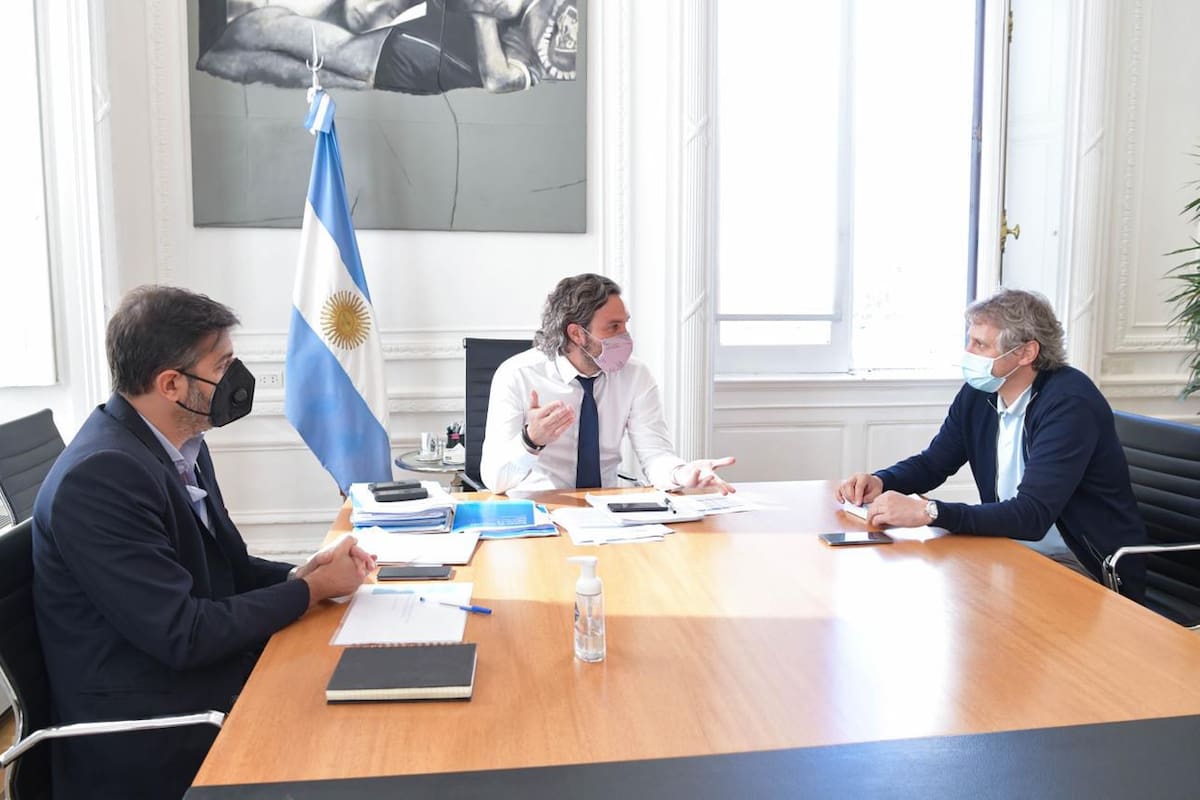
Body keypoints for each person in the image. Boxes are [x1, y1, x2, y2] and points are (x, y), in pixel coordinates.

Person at [32, 286, 377, 800]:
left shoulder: (178, 444)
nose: (236, 380)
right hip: (152, 725)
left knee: (360, 675)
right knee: (358, 733)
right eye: (223, 366)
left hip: (189, 676)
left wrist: (305, 572)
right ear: (171, 384)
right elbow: (184, 633)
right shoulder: (101, 477)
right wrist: (310, 592)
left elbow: (228, 567)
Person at [836, 288, 1146, 597]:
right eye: (969, 340)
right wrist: (881, 481)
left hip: (1083, 564)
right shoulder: (980, 393)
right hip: (1009, 549)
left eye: (980, 345)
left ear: (1026, 353)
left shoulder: (1069, 404)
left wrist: (930, 511)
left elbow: (1032, 516)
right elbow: (934, 463)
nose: (968, 353)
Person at [481, 273, 736, 494]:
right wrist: (531, 440)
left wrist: (682, 473)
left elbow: (655, 454)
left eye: (625, 324)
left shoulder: (636, 374)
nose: (625, 336)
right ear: (577, 334)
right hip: (541, 509)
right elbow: (495, 481)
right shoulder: (517, 375)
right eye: (613, 327)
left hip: (607, 510)